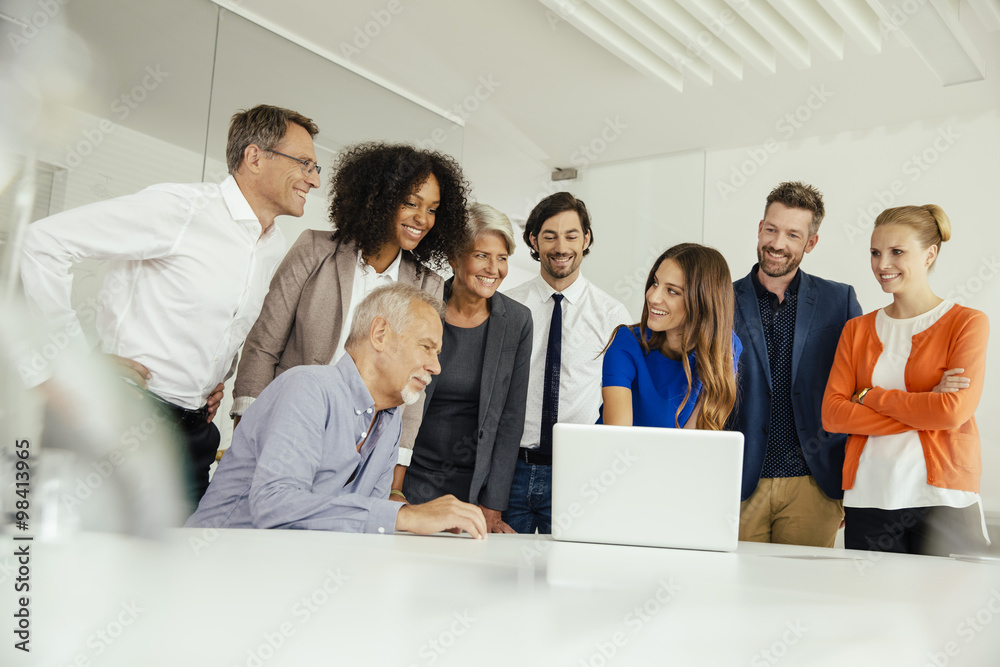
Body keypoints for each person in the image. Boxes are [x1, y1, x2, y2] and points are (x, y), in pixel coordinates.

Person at [20, 104, 321, 505]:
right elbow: (43, 243)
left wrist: (212, 381)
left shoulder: (272, 245)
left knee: (182, 559)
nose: (314, 180)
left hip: (196, 430)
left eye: (315, 168)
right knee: (95, 557)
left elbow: (227, 322)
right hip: (126, 416)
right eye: (305, 163)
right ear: (254, 157)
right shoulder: (180, 209)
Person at [231, 142, 469, 490]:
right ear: (379, 198)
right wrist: (245, 433)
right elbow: (263, 346)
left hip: (363, 449)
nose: (423, 219)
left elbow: (415, 388)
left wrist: (395, 481)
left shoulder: (427, 285)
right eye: (410, 203)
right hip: (289, 426)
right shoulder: (314, 249)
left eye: (432, 209)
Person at [187, 283, 487, 538]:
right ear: (380, 333)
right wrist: (406, 517)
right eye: (426, 347)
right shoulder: (308, 388)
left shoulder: (391, 417)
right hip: (216, 569)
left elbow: (361, 524)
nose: (436, 367)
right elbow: (274, 506)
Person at [822, 205, 989, 556]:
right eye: (875, 252)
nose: (883, 264)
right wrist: (925, 405)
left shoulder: (967, 323)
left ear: (930, 254)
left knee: (946, 610)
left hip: (944, 498)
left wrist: (869, 395)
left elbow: (950, 413)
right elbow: (834, 415)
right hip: (870, 494)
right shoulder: (857, 330)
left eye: (897, 252)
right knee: (872, 609)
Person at [729, 181, 863, 548]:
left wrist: (853, 484)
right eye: (771, 229)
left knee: (803, 598)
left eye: (792, 234)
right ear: (760, 228)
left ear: (811, 242)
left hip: (815, 483)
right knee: (732, 596)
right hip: (738, 481)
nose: (777, 243)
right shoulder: (721, 297)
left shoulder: (840, 301)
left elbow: (860, 390)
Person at [401, 204, 532, 534]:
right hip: (411, 478)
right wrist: (393, 489)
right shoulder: (419, 306)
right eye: (482, 255)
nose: (494, 268)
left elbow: (511, 418)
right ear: (454, 258)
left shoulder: (517, 321)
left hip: (474, 489)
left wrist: (493, 503)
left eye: (502, 257)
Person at [504, 192, 630, 534]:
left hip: (577, 473)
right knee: (499, 574)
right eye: (550, 236)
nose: (562, 246)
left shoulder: (613, 315)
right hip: (510, 470)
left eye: (572, 235)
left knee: (567, 575)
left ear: (586, 238)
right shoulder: (507, 307)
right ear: (533, 240)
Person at [600, 243, 740, 430]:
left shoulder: (725, 346)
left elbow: (693, 443)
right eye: (655, 283)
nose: (653, 297)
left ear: (702, 302)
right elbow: (618, 438)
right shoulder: (627, 343)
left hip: (676, 456)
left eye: (672, 291)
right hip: (623, 457)